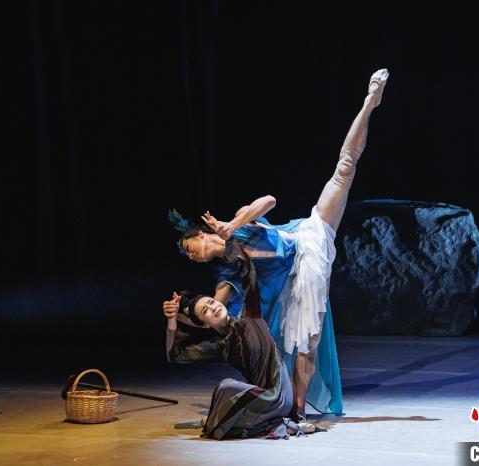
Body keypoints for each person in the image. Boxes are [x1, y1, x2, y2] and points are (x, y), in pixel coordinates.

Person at [167, 68, 389, 418]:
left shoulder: (238, 222)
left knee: (344, 169)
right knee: (305, 339)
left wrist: (233, 224)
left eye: (190, 250)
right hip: (293, 280)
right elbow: (212, 314)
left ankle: (370, 103)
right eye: (189, 258)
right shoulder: (227, 274)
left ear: (200, 235)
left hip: (305, 238)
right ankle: (298, 409)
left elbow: (269, 200)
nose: (192, 257)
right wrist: (178, 314)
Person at [163, 250, 315, 439]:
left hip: (280, 394)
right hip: (260, 398)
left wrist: (226, 244)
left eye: (211, 302)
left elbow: (248, 271)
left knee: (226, 391)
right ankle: (270, 422)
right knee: (225, 388)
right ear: (205, 324)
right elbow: (175, 355)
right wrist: (172, 320)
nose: (213, 307)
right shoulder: (220, 345)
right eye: (206, 311)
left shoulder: (250, 315)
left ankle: (231, 422)